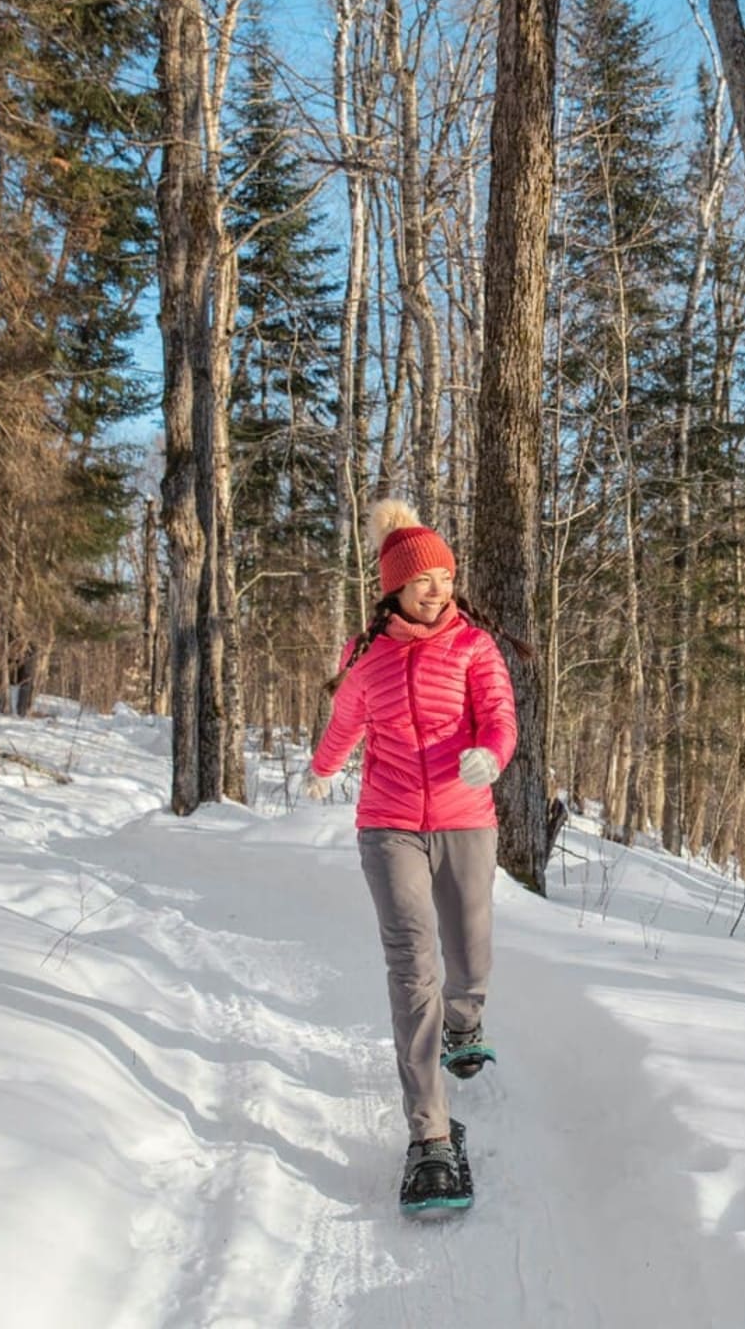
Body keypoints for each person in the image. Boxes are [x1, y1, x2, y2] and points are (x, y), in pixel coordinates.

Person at [306, 498, 518, 1208]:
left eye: (447, 575)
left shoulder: (474, 647)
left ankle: (467, 1022)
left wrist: (491, 752)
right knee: (411, 966)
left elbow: (498, 714)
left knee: (470, 953)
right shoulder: (365, 654)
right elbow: (347, 719)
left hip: (465, 819)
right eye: (425, 578)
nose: (439, 587)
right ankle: (429, 1135)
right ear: (393, 585)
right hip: (389, 823)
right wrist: (325, 767)